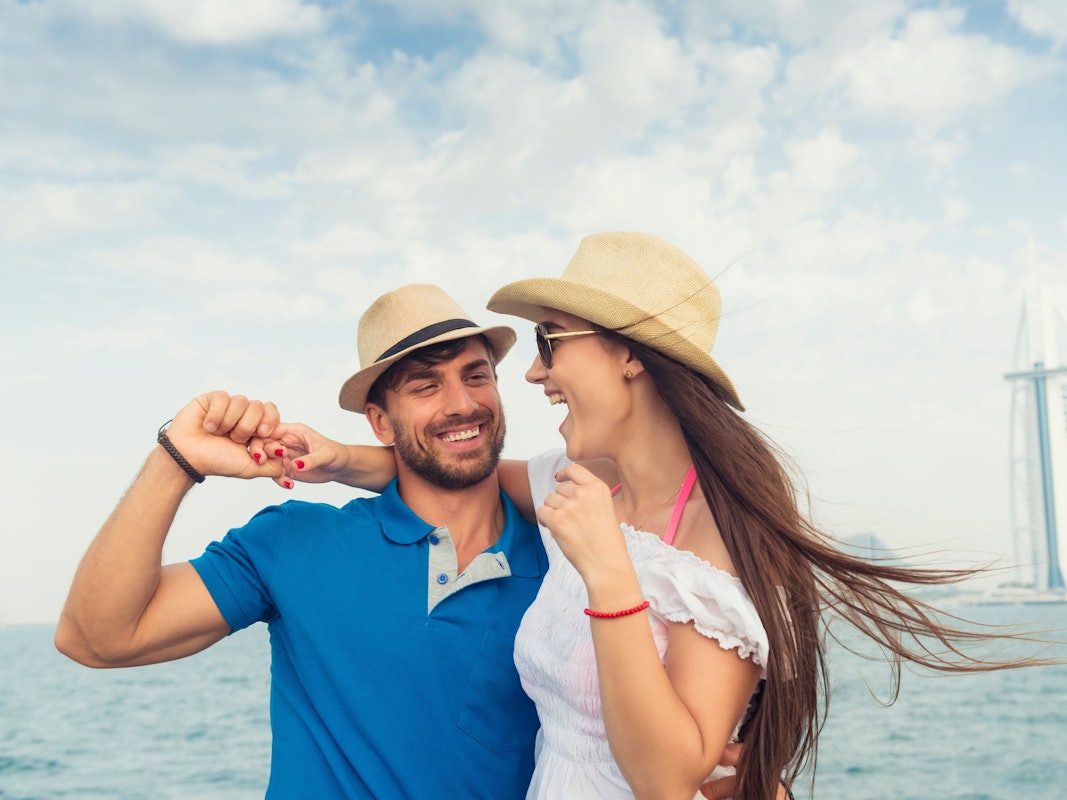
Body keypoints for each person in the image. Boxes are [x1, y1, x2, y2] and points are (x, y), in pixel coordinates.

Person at [258, 232, 1048, 800]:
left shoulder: (708, 539)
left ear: (628, 354)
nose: (534, 372)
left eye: (550, 342)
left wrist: (608, 575)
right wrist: (337, 459)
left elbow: (668, 781)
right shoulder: (578, 485)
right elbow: (465, 473)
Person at [54, 285, 549, 798]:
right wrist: (177, 460)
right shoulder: (294, 541)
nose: (464, 404)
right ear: (380, 422)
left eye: (476, 376)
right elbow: (95, 637)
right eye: (426, 386)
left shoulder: (566, 559)